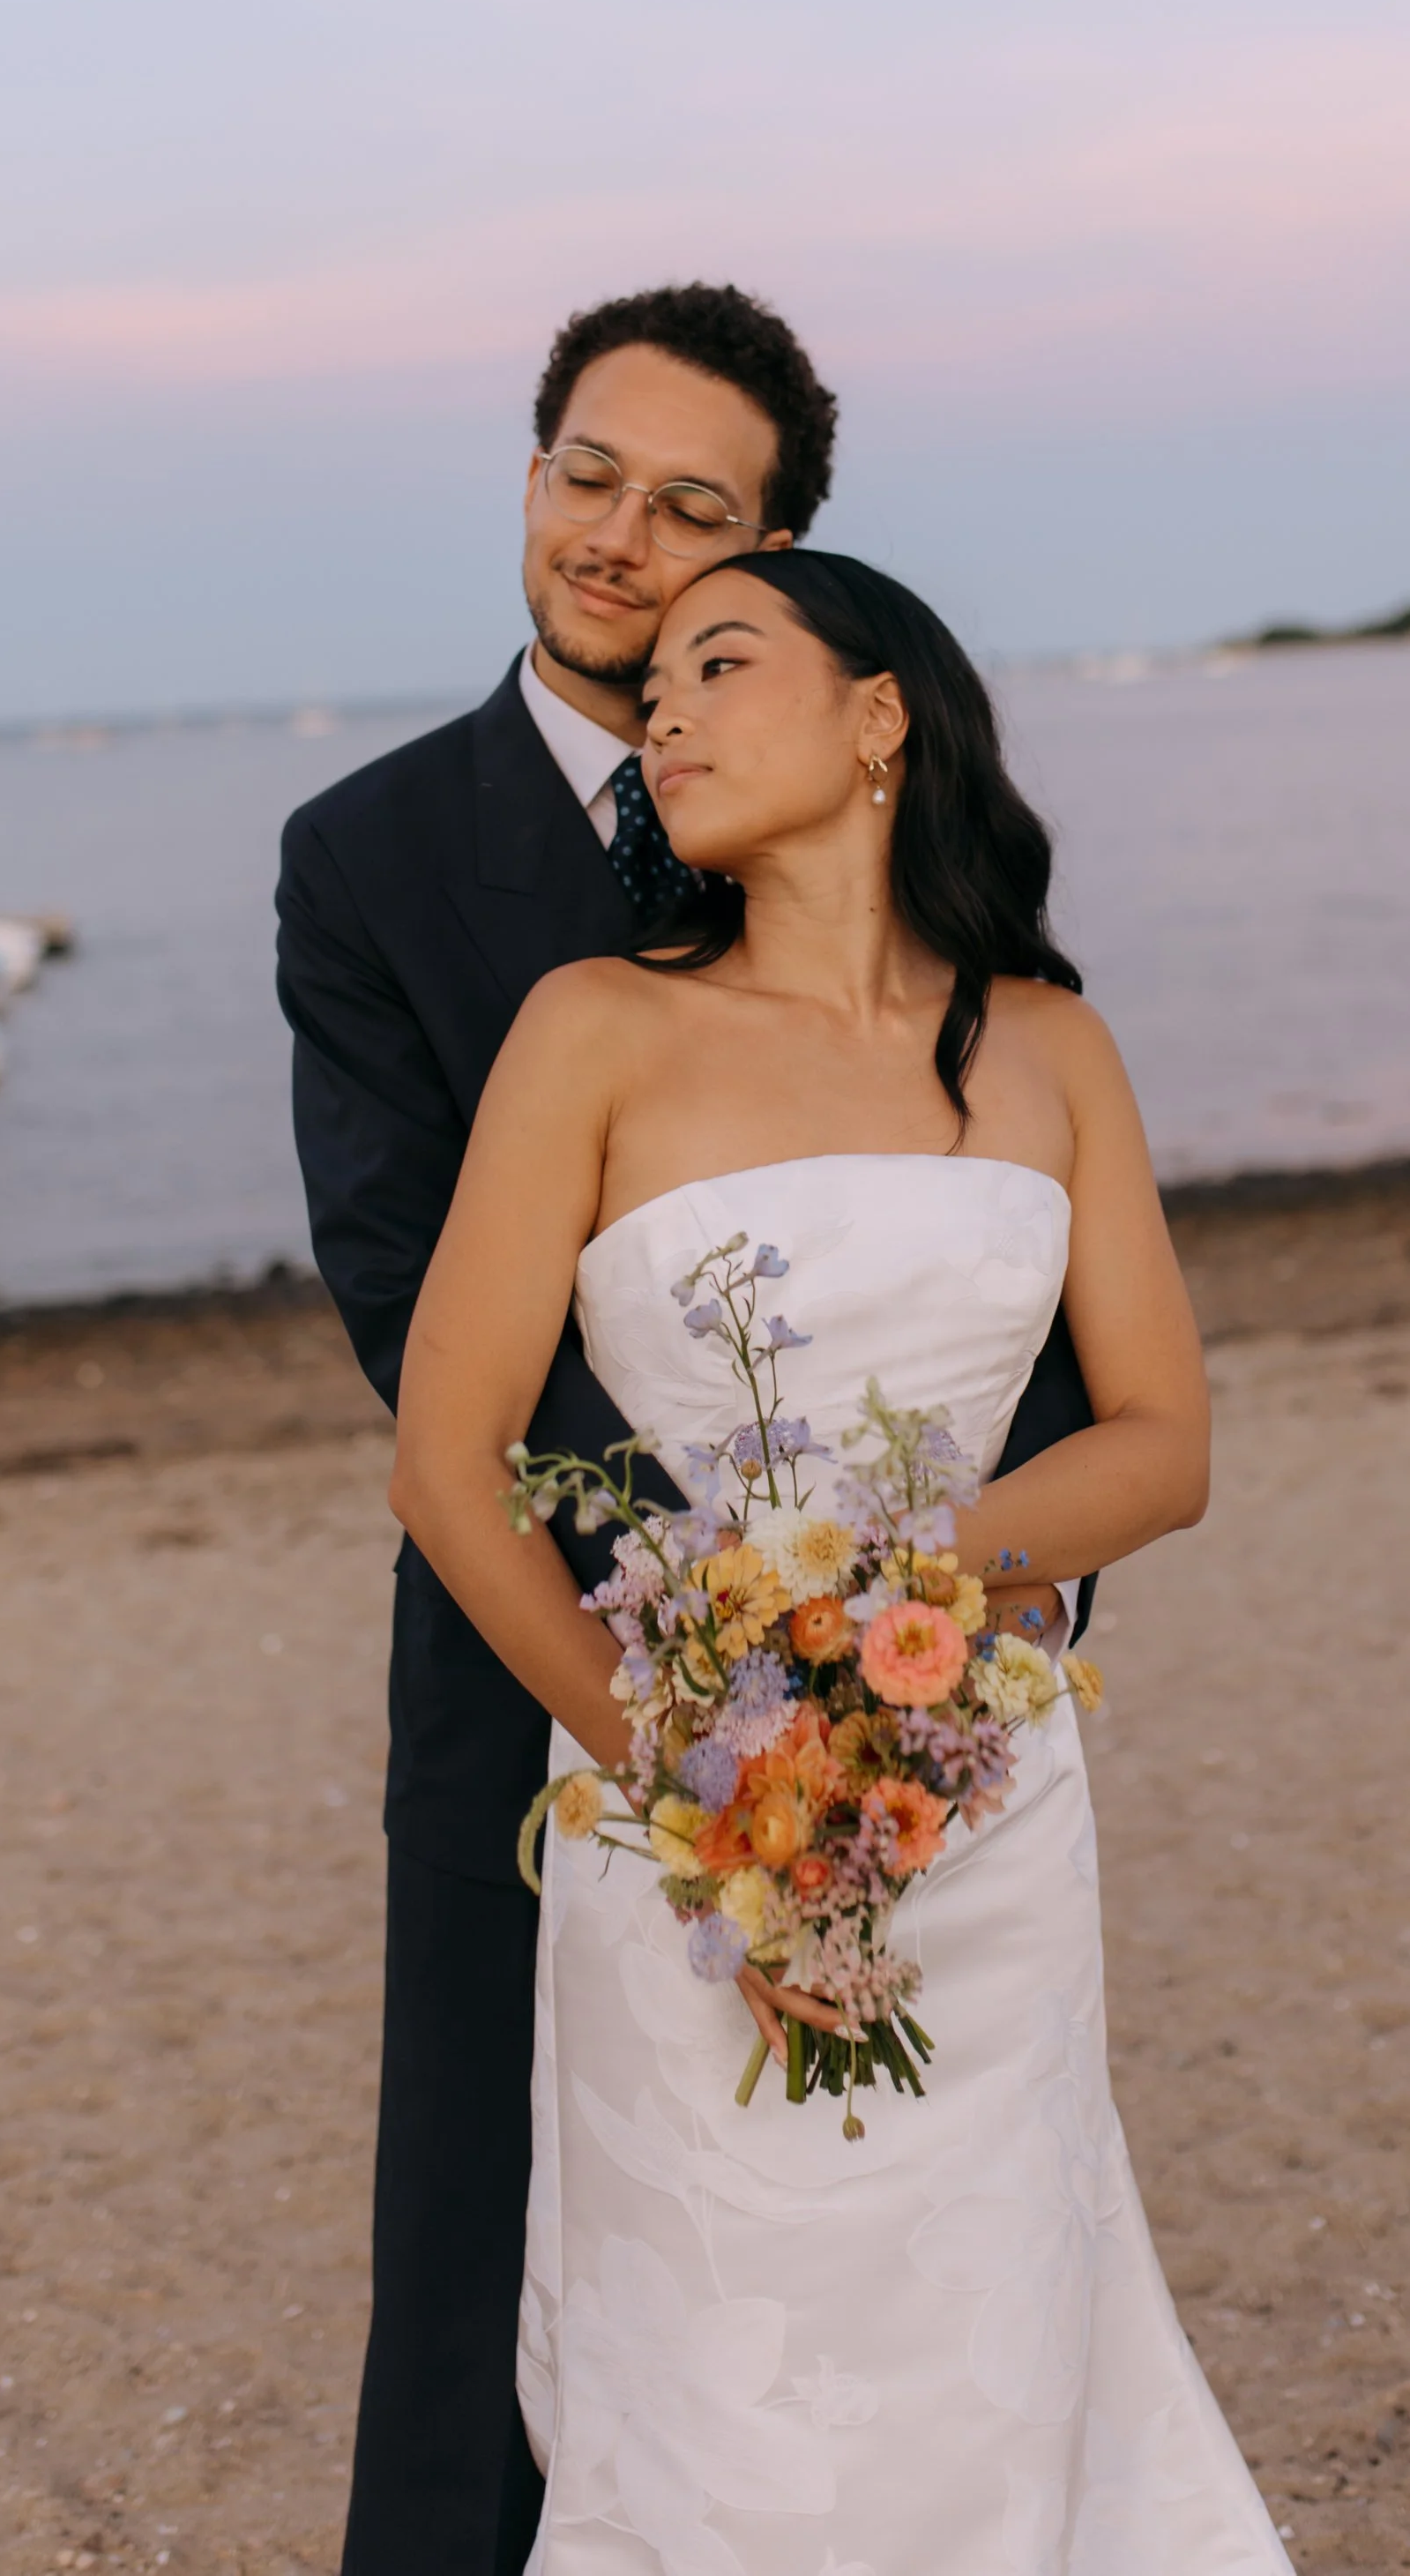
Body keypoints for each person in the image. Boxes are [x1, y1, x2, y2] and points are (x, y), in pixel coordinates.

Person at [275, 290, 1100, 2575]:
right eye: (583, 473)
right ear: (529, 472)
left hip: (929, 1695)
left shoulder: (901, 883)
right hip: (542, 1647)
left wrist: (908, 1652)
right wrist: (727, 1672)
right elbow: (404, 1291)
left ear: (789, 574)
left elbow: (997, 1270)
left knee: (901, 2241)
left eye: (691, 509)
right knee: (482, 2238)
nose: (616, 538)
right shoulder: (369, 856)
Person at [392, 548, 1292, 2572]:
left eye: (722, 664)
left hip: (977, 1787)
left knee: (991, 2314)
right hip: (687, 1815)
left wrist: (881, 1603)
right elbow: (447, 1466)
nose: (665, 715)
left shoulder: (1050, 1045)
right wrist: (685, 1766)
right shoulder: (590, 1031)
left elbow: (1161, 1445)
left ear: (879, 716)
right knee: (719, 2360)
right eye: (652, 695)